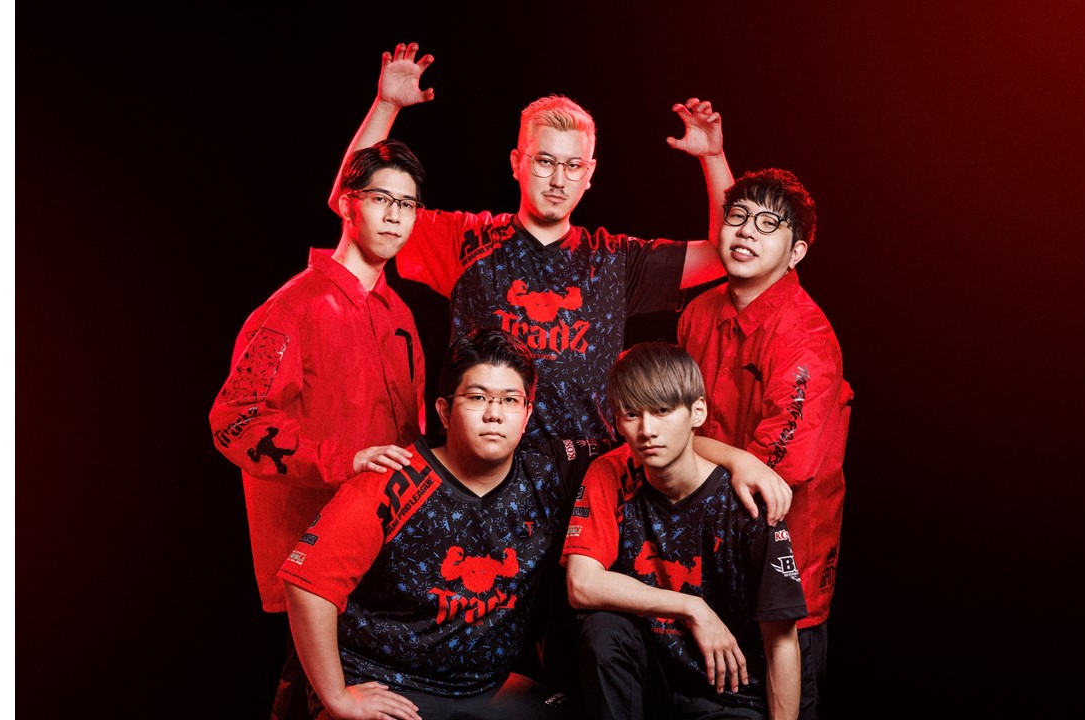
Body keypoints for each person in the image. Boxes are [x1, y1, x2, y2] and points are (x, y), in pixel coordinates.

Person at [277, 330, 793, 720]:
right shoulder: (392, 479)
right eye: (478, 398)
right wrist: (338, 696)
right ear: (444, 410)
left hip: (484, 688)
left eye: (510, 401)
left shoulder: (552, 470)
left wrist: (740, 460)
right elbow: (307, 585)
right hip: (386, 683)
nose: (494, 414)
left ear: (527, 415)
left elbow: (653, 439)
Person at [327, 43, 738, 451]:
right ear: (516, 163)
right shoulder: (466, 239)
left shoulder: (615, 260)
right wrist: (386, 106)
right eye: (544, 161)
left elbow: (726, 254)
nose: (558, 180)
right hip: (481, 469)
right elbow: (353, 204)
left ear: (589, 174)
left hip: (585, 472)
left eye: (573, 166)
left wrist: (713, 157)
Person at [210, 139, 431, 720]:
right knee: (317, 698)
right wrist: (343, 458)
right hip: (315, 564)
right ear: (346, 203)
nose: (394, 216)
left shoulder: (399, 315)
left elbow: (410, 434)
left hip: (384, 560)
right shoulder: (293, 308)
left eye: (407, 204)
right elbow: (235, 420)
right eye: (380, 199)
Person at [673, 102, 854, 720]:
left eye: (767, 224)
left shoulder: (806, 339)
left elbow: (774, 475)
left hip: (784, 565)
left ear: (796, 252)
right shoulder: (698, 313)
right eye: (737, 217)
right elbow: (669, 420)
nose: (746, 231)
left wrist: (690, 450)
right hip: (701, 557)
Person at [562, 342, 807, 719]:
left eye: (662, 410)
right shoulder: (610, 473)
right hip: (653, 688)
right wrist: (692, 608)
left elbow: (781, 641)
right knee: (603, 629)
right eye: (631, 414)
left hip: (730, 697)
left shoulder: (749, 503)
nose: (647, 430)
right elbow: (581, 585)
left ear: (697, 411)